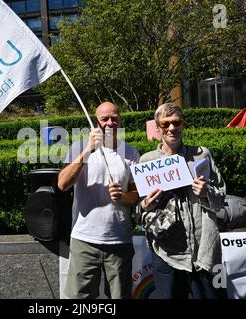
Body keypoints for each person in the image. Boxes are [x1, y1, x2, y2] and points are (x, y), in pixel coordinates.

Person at [136, 103, 226, 299]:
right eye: (165, 124)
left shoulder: (202, 154)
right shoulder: (147, 161)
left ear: (183, 125)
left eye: (176, 122)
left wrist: (206, 192)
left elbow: (220, 200)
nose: (171, 128)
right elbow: (138, 212)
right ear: (158, 128)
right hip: (167, 252)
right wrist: (145, 206)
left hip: (205, 250)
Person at [57, 101, 139, 299]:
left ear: (120, 121)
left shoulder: (131, 153)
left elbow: (136, 195)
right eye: (104, 119)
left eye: (114, 118)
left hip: (119, 240)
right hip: (84, 239)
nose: (109, 123)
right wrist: (88, 151)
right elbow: (62, 184)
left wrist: (123, 197)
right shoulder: (78, 147)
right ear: (96, 122)